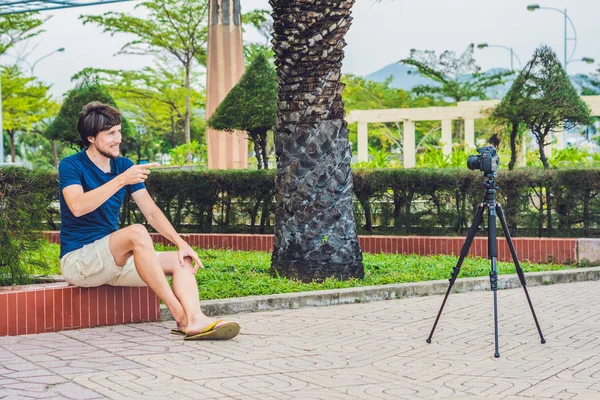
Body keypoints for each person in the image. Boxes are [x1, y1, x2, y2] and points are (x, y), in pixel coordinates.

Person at [58, 101, 239, 341]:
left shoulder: (123, 166)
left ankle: (195, 318)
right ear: (91, 137)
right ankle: (181, 317)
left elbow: (151, 212)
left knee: (180, 260)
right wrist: (122, 180)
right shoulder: (71, 165)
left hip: (115, 264)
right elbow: (78, 206)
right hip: (80, 261)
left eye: (119, 131)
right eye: (110, 133)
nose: (118, 139)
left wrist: (180, 243)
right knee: (136, 232)